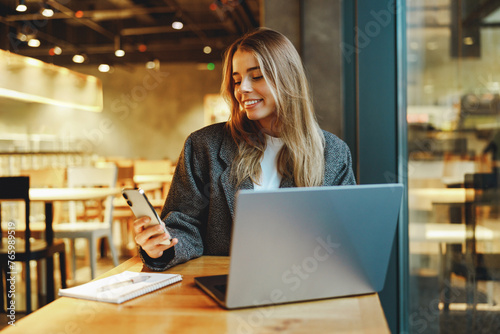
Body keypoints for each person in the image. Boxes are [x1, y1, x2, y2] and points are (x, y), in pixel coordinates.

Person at [133, 27, 356, 271]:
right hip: (223, 284)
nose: (242, 89)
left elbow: (344, 235)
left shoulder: (333, 152)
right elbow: (184, 225)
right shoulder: (204, 146)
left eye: (256, 76)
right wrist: (163, 247)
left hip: (305, 284)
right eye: (237, 80)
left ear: (288, 78)